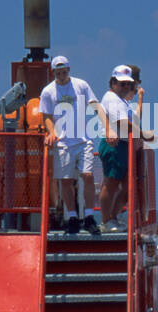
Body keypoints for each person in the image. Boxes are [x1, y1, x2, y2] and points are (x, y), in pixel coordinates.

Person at [39, 56, 107, 235]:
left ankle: (89, 216)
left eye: (64, 72)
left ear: (69, 70)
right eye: (58, 72)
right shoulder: (48, 91)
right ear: (53, 72)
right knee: (66, 181)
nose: (61, 75)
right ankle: (72, 217)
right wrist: (52, 132)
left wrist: (107, 126)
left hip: (83, 139)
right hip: (63, 142)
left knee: (88, 175)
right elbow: (46, 115)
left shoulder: (81, 85)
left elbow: (94, 103)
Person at [96, 65, 138, 230]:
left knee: (127, 184)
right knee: (111, 183)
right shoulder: (112, 99)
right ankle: (106, 220)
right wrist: (142, 133)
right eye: (122, 84)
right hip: (114, 144)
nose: (126, 87)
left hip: (122, 145)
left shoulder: (122, 101)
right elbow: (122, 123)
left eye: (128, 84)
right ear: (113, 83)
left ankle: (113, 216)